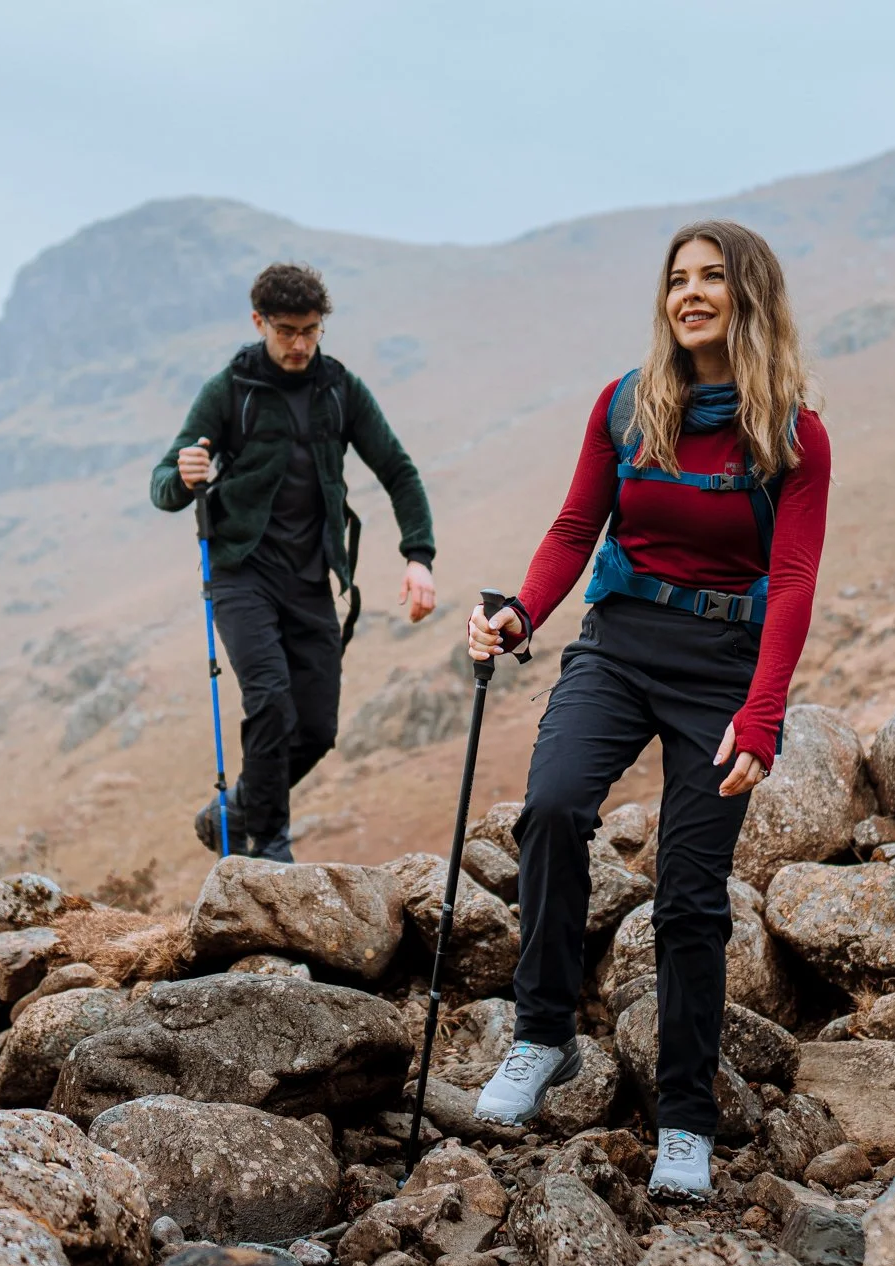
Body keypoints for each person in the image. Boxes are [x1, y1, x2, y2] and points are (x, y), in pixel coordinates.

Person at [466, 220, 830, 1199]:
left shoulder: (791, 433)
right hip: (618, 644)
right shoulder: (627, 405)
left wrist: (761, 715)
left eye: (711, 278)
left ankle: (683, 1119)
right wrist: (517, 615)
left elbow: (790, 579)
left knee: (688, 894)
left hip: (720, 668)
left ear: (748, 295)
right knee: (549, 808)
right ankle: (540, 1037)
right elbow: (575, 526)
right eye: (678, 279)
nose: (690, 293)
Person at [152, 263, 437, 861]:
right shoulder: (231, 390)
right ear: (259, 322)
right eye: (287, 331)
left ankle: (235, 812)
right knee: (271, 700)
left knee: (317, 730)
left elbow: (398, 471)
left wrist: (418, 556)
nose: (301, 344)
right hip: (241, 574)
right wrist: (182, 477)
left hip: (311, 579)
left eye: (311, 330)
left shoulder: (339, 390)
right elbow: (164, 482)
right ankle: (269, 844)